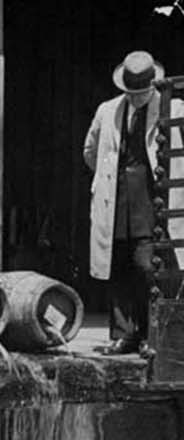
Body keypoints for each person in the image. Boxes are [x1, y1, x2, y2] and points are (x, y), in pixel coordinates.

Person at [85, 51, 184, 355]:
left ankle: (152, 335)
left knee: (148, 265)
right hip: (116, 197)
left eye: (142, 92)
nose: (137, 98)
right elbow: (90, 150)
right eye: (132, 93)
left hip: (151, 198)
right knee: (118, 264)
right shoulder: (108, 110)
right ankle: (124, 333)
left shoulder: (174, 107)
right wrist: (106, 177)